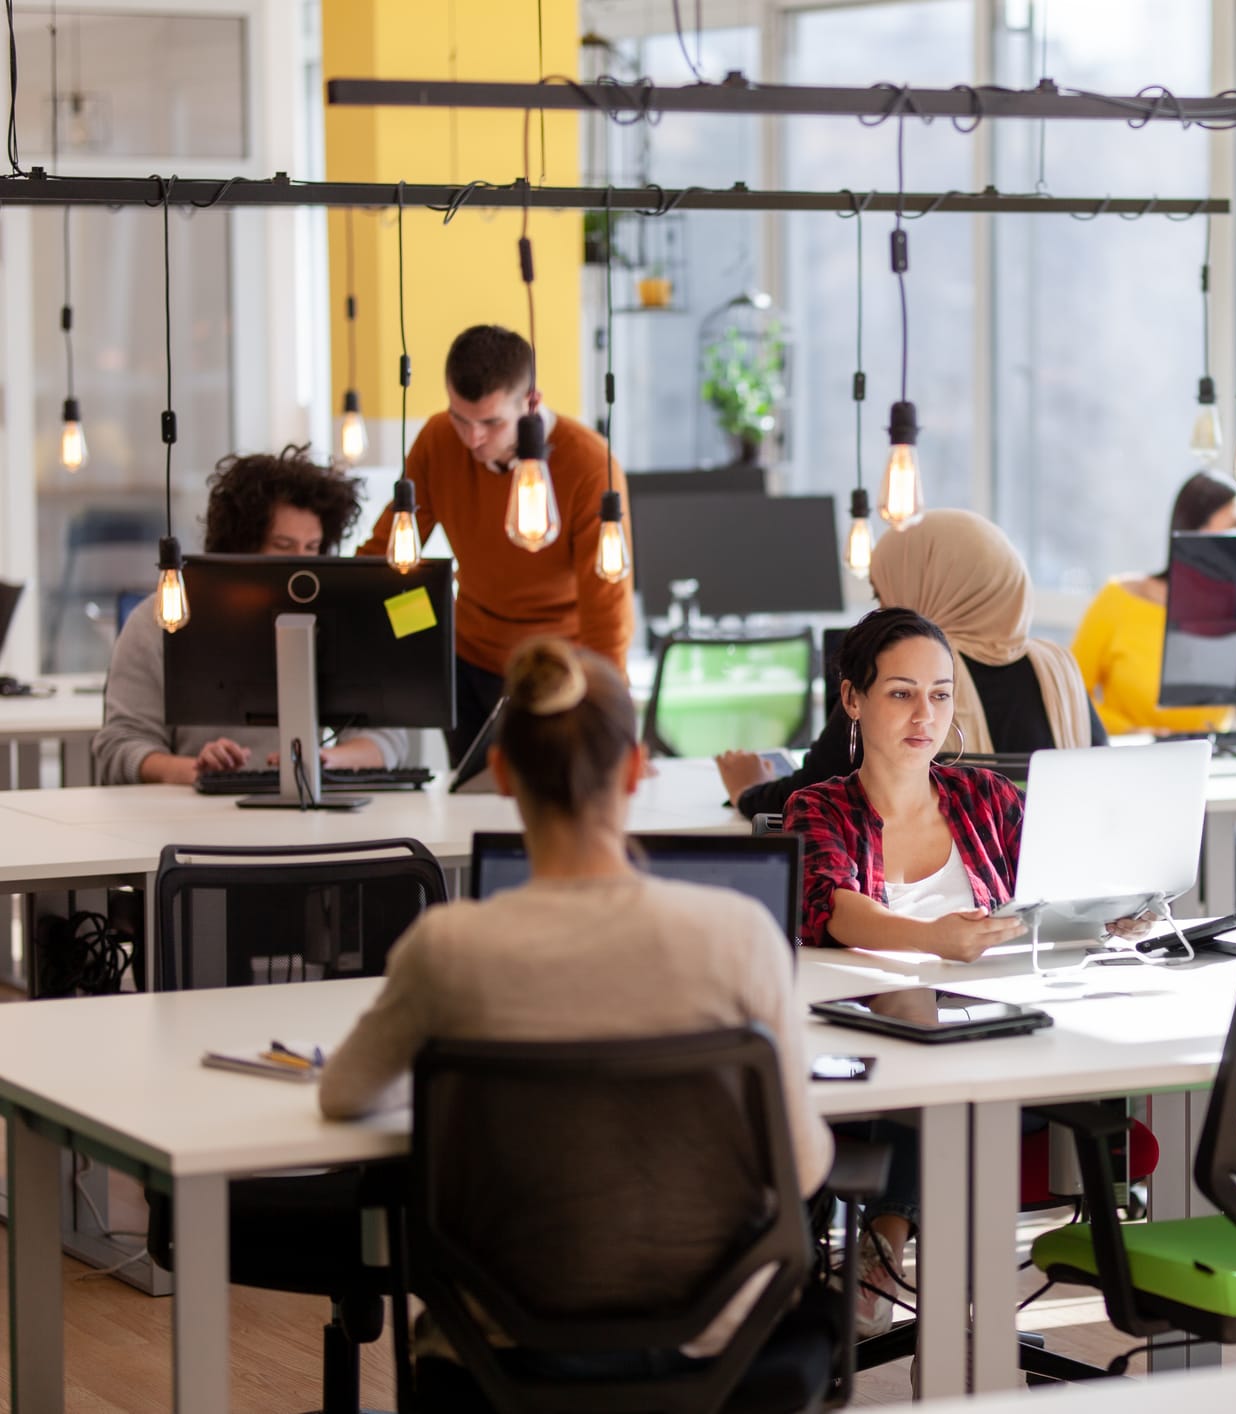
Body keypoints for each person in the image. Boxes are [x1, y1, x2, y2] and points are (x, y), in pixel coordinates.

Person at [320, 637, 829, 1362]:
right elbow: (801, 1166)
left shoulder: (448, 948)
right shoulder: (741, 936)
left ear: (501, 773)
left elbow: (343, 1094)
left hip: (500, 1344)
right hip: (715, 1342)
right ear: (635, 768)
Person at [782, 607, 1031, 1335]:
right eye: (901, 693)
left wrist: (1115, 909)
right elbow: (835, 909)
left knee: (948, 1048)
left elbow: (1052, 892)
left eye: (940, 694)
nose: (925, 715)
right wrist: (932, 939)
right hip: (870, 1061)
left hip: (1005, 1039)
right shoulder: (819, 807)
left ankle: (883, 1248)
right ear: (853, 699)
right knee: (910, 1007)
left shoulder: (987, 799)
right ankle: (891, 1253)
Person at [354, 324, 633, 764]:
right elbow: (386, 553)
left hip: (558, 672)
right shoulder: (437, 439)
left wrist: (614, 721)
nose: (473, 439)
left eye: (491, 422)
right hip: (468, 662)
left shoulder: (590, 465)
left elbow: (607, 610)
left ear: (531, 401)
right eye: (460, 418)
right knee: (471, 798)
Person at [717, 508, 1104, 818]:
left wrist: (748, 788)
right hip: (1057, 883)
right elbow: (1103, 786)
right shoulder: (1058, 668)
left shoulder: (903, 671)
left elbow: (806, 801)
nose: (884, 613)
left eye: (884, 595)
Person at [91, 446, 409, 785]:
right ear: (239, 547)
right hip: (193, 811)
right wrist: (195, 771)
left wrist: (325, 761)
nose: (301, 562)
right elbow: (119, 748)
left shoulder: (331, 623)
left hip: (309, 809)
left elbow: (387, 738)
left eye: (312, 548)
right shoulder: (161, 621)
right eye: (283, 546)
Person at [1070, 470, 1236, 736]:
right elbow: (1069, 698)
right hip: (1129, 754)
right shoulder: (1118, 599)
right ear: (1194, 532)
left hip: (1210, 756)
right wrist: (1134, 733)